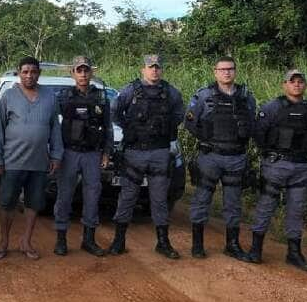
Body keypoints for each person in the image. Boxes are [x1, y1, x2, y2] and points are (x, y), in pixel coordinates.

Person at [109, 54, 185, 257]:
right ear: (143, 69)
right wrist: (129, 127)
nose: (154, 70)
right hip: (134, 152)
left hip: (159, 152)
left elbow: (179, 113)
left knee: (160, 199)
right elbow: (114, 111)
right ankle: (119, 241)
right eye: (150, 67)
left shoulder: (170, 92)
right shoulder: (131, 90)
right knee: (127, 198)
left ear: (162, 69)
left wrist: (167, 128)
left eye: (158, 67)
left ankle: (163, 242)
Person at [0, 56, 63, 260]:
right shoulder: (9, 97)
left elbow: (55, 128)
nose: (29, 75)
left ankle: (26, 241)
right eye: (25, 71)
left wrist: (56, 155)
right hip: (12, 162)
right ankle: (4, 242)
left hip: (39, 162)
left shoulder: (49, 97)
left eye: (33, 71)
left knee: (34, 204)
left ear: (39, 73)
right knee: (7, 203)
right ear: (18, 73)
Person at [184, 56, 256, 260]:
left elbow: (251, 123)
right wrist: (206, 139)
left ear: (235, 71)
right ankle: (197, 245)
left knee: (233, 203)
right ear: (215, 72)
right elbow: (189, 123)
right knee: (202, 199)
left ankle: (232, 244)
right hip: (210, 156)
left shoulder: (246, 96)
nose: (226, 73)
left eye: (230, 69)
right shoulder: (203, 95)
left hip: (236, 156)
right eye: (222, 69)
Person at [247, 69, 307, 271]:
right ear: (284, 84)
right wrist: (270, 153)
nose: (296, 85)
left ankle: (294, 253)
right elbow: (258, 133)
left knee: (296, 210)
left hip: (301, 165)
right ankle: (256, 249)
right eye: (292, 81)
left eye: (300, 81)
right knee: (266, 206)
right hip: (276, 164)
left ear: (305, 85)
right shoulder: (272, 107)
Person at [52, 56, 110, 257]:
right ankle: (61, 240)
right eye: (79, 70)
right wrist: (55, 152)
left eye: (86, 70)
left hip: (92, 154)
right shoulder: (64, 96)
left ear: (91, 73)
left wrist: (106, 152)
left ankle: (89, 240)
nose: (83, 74)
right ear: (73, 73)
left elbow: (108, 127)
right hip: (69, 153)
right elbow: (52, 124)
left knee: (92, 196)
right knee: (64, 196)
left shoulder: (101, 97)